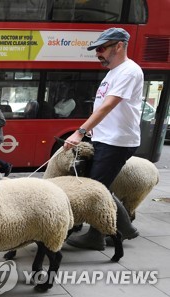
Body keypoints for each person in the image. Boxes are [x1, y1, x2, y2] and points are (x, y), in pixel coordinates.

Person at [63, 27, 143, 250]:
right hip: (105, 138)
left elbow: (108, 105)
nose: (98, 54)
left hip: (117, 141)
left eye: (101, 49)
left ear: (119, 46)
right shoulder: (113, 73)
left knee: (96, 188)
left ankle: (97, 236)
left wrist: (80, 131)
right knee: (99, 186)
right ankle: (126, 228)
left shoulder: (129, 71)